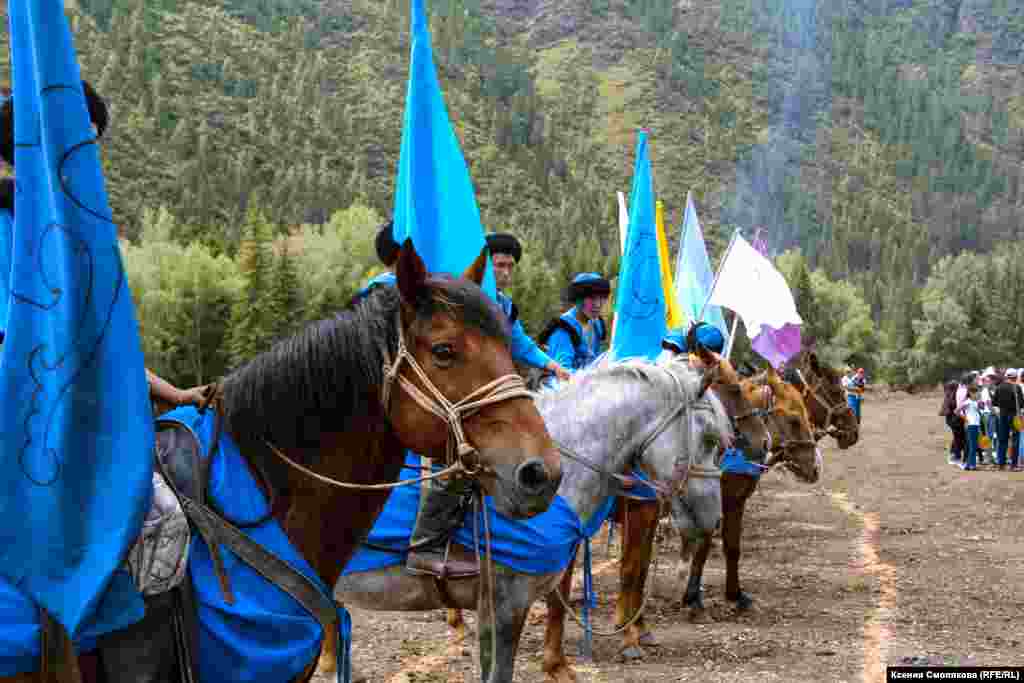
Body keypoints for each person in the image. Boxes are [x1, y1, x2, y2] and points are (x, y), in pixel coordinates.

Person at [484, 233, 570, 383]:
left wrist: (555, 367)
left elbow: (521, 344)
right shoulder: (467, 301)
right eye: (500, 265)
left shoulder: (506, 307)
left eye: (510, 266)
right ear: (484, 265)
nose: (506, 273)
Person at [537, 272, 610, 380]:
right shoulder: (563, 330)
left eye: (602, 298)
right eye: (592, 298)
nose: (598, 304)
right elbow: (561, 374)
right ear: (578, 299)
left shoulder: (597, 323)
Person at [991, 369, 1022, 470]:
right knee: (1015, 439)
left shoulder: (999, 388)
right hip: (1014, 416)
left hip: (1002, 416)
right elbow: (1021, 404)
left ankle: (1001, 464)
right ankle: (1013, 465)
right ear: (1015, 377)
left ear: (1006, 376)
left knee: (1002, 440)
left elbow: (994, 404)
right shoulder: (1016, 387)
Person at [940, 379, 965, 465]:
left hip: (952, 420)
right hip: (954, 420)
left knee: (957, 437)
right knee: (958, 437)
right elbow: (954, 406)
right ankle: (955, 456)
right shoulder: (951, 396)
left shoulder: (949, 395)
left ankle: (954, 454)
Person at [957, 384, 981, 471]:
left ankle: (969, 465)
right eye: (976, 393)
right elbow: (957, 411)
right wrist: (966, 419)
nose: (977, 394)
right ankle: (971, 465)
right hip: (971, 426)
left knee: (973, 446)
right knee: (973, 446)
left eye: (977, 393)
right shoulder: (967, 402)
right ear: (971, 393)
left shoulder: (975, 401)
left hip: (975, 425)